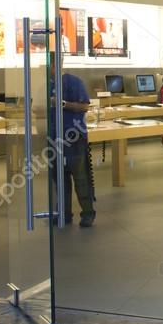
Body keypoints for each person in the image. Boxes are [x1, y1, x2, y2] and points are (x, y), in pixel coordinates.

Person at [53, 65, 96, 227]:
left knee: (81, 178)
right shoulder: (47, 85)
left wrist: (62, 103)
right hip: (54, 138)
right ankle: (64, 213)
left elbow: (84, 106)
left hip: (74, 138)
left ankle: (87, 213)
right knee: (59, 179)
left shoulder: (73, 82)